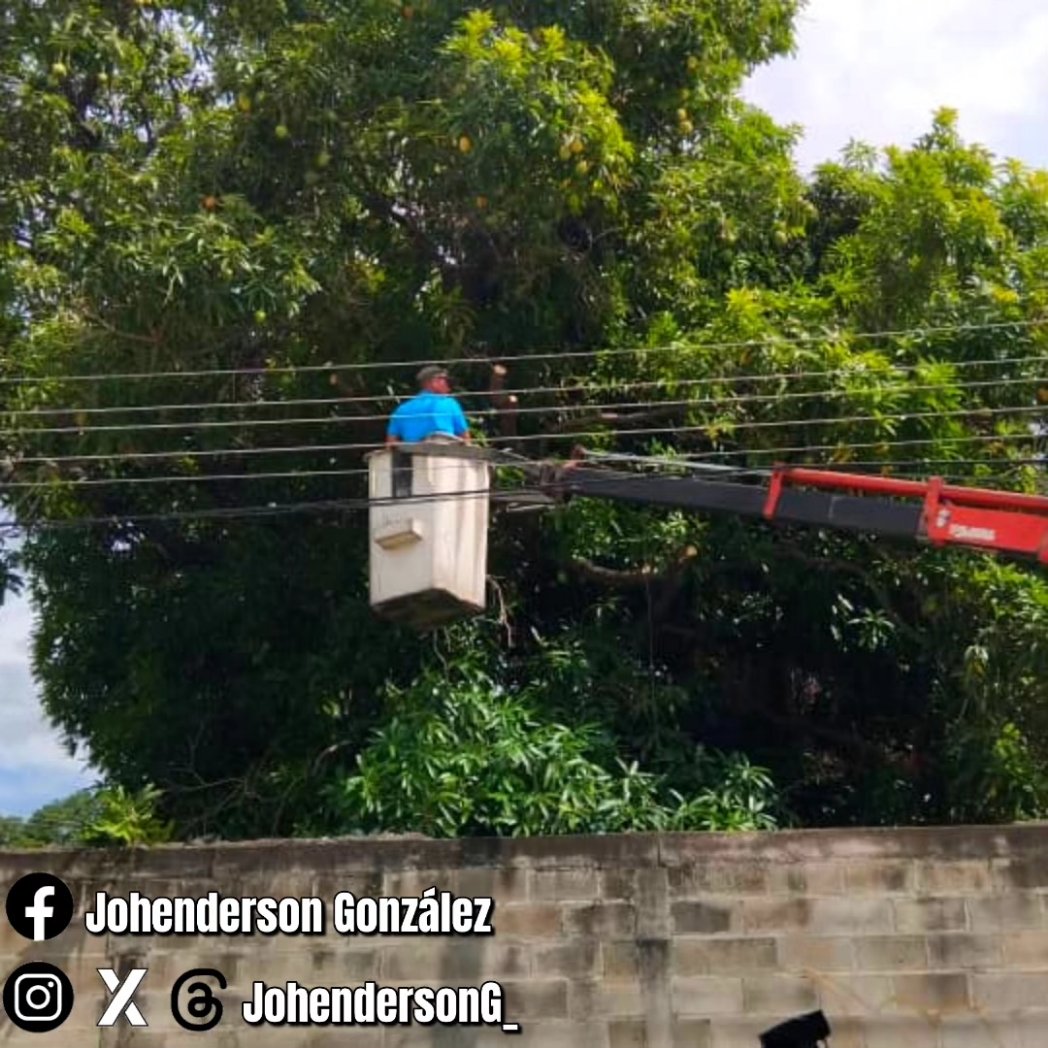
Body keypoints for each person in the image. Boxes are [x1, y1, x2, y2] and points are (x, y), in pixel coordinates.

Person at [385, 365, 471, 445]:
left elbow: (391, 444)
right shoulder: (449, 403)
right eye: (446, 381)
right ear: (434, 382)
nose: (449, 387)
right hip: (445, 456)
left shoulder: (401, 410)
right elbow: (465, 439)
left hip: (414, 458)